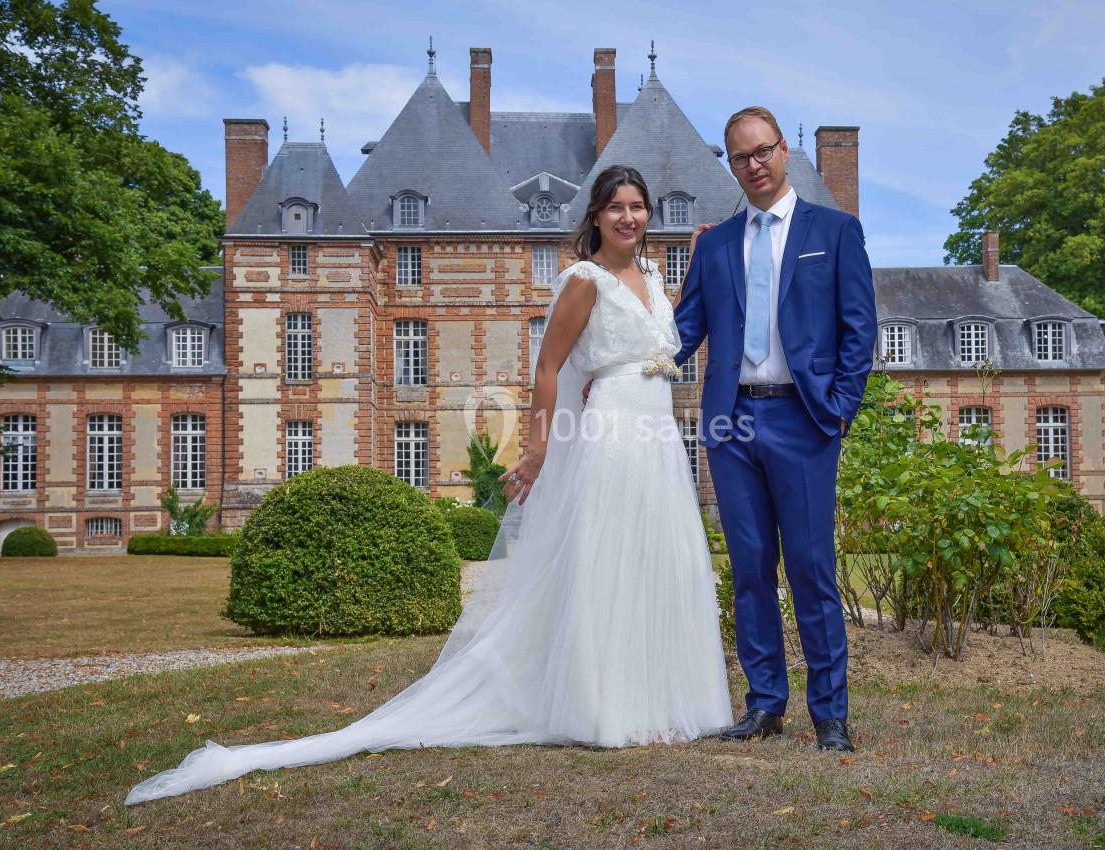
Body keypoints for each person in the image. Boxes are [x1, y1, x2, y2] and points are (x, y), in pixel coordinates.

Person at [124, 165, 732, 806]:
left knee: (657, 563)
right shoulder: (584, 281)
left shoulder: (655, 280)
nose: (629, 218)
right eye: (617, 208)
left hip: (657, 436)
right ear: (596, 216)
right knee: (609, 566)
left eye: (638, 207)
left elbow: (667, 339)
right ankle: (613, 708)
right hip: (610, 432)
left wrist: (697, 257)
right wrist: (535, 450)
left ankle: (664, 698)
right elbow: (549, 367)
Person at [672, 106, 877, 752]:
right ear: (730, 165)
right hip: (731, 423)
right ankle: (764, 703)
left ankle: (831, 714)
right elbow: (684, 331)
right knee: (752, 569)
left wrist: (839, 408)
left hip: (804, 419)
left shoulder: (836, 232)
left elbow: (859, 329)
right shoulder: (714, 244)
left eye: (763, 152)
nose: (754, 165)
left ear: (784, 151)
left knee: (813, 569)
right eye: (740, 157)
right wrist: (618, 364)